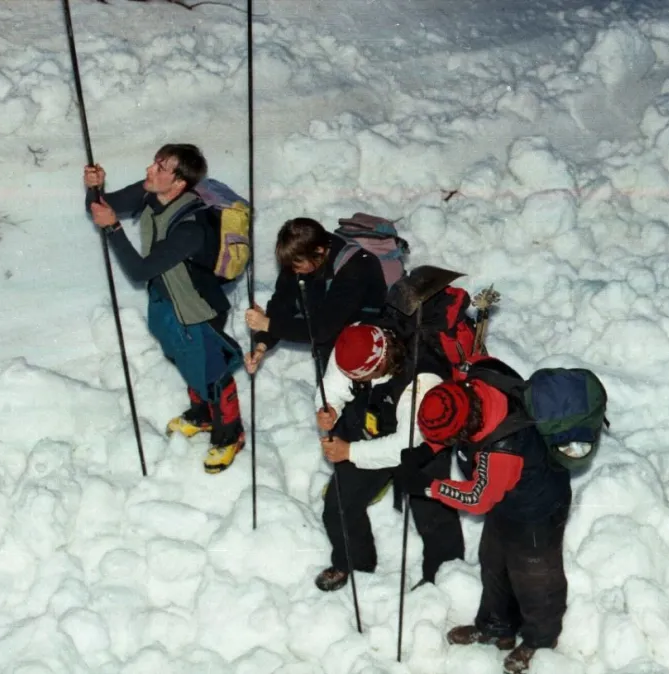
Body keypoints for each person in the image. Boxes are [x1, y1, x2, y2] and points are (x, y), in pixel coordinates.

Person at [395, 358, 572, 674]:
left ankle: (540, 640)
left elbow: (477, 498)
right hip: (506, 499)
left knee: (535, 578)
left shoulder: (501, 448)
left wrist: (428, 486)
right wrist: (426, 449)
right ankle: (496, 626)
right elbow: (451, 419)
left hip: (536, 509)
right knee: (494, 563)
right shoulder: (472, 387)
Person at [84, 143, 245, 474]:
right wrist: (94, 189)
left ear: (179, 183)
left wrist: (113, 228)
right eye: (154, 163)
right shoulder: (149, 194)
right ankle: (201, 415)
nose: (150, 170)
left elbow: (139, 270)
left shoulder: (192, 228)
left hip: (197, 307)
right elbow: (102, 208)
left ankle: (231, 434)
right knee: (181, 356)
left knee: (211, 371)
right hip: (165, 299)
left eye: (161, 168)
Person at [312, 323, 465, 591]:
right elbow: (333, 386)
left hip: (422, 444)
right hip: (373, 426)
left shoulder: (421, 382)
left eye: (359, 377)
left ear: (378, 365)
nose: (354, 383)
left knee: (432, 515)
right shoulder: (353, 339)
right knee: (339, 505)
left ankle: (442, 577)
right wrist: (329, 408)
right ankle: (356, 563)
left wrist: (349, 451)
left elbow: (405, 445)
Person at [244, 217, 387, 375]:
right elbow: (283, 303)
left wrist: (268, 324)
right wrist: (262, 345)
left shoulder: (356, 268)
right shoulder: (301, 257)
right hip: (329, 347)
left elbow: (322, 329)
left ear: (319, 251)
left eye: (297, 265)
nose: (294, 271)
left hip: (367, 353)